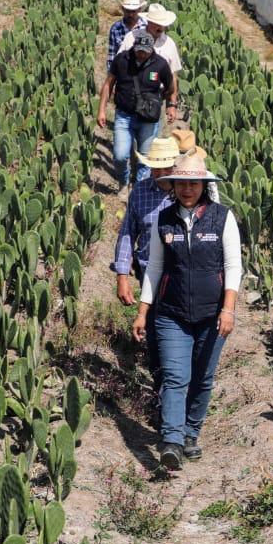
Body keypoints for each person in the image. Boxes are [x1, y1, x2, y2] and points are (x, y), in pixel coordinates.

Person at [133, 154, 242, 470]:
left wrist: (229, 310)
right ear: (173, 186)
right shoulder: (163, 220)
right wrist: (143, 312)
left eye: (194, 183)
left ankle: (191, 432)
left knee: (203, 378)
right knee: (175, 377)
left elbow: (234, 267)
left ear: (204, 186)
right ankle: (172, 441)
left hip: (212, 315)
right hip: (171, 314)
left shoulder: (222, 218)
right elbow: (154, 268)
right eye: (181, 183)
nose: (187, 189)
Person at [113, 137, 180, 401]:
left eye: (165, 167)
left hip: (182, 277)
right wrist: (122, 275)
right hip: (149, 276)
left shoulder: (189, 190)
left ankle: (172, 392)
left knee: (173, 338)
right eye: (155, 167)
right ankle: (161, 388)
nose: (159, 173)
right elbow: (127, 233)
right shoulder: (140, 191)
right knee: (154, 334)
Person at [97, 32, 178, 187]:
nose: (141, 54)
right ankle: (124, 182)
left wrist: (170, 106)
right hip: (124, 115)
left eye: (145, 51)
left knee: (145, 158)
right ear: (134, 47)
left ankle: (139, 189)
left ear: (151, 49)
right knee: (120, 155)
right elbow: (108, 84)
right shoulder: (122, 60)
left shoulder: (160, 64)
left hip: (148, 119)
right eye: (139, 50)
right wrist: (101, 110)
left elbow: (171, 87)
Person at [121, 3, 184, 81]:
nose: (160, 27)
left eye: (162, 24)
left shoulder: (170, 44)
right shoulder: (131, 38)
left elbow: (173, 75)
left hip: (160, 91)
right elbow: (119, 65)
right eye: (157, 24)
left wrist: (174, 93)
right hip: (132, 88)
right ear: (148, 22)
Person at [106, 0, 146, 73]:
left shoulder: (146, 26)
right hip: (123, 73)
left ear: (139, 10)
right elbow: (112, 55)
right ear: (123, 9)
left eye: (133, 11)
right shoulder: (116, 28)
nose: (130, 14)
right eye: (128, 11)